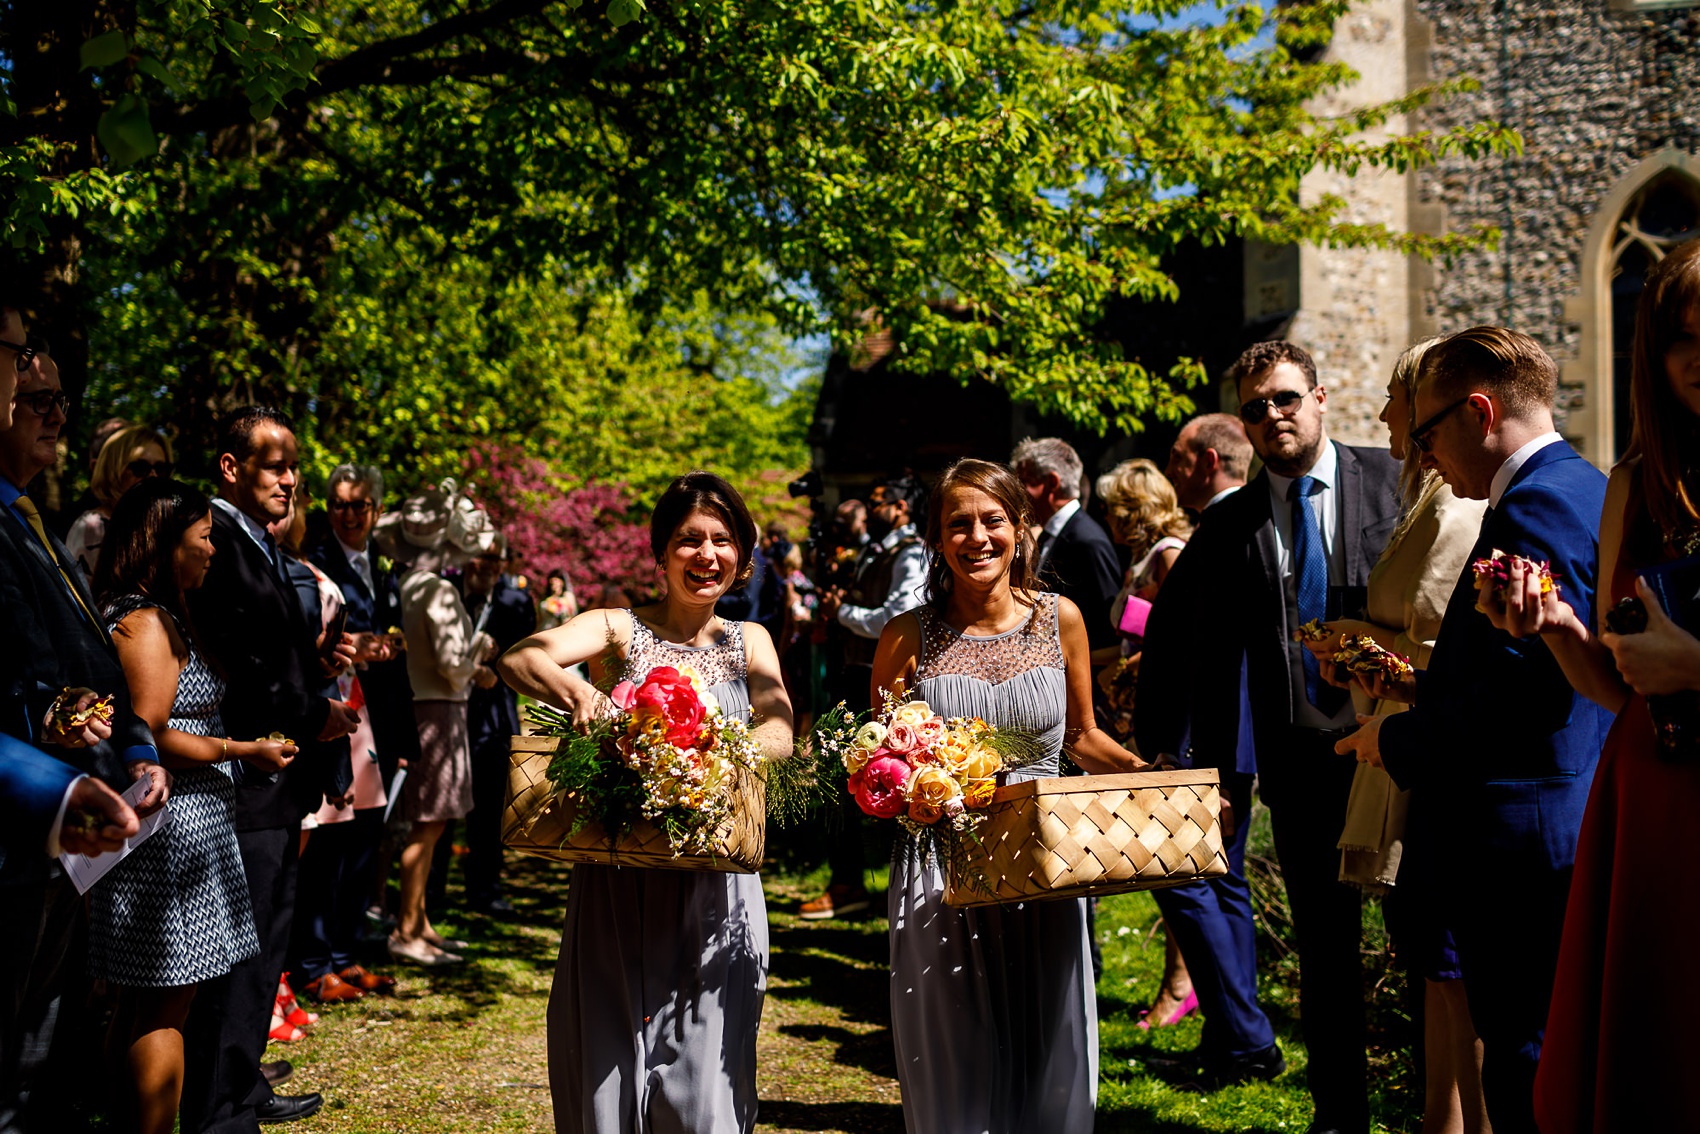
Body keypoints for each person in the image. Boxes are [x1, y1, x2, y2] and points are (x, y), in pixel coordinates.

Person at [1338, 327, 1611, 1134]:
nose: (1420, 455)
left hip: (1520, 834)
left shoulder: (1538, 506)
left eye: (1424, 432)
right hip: (1546, 818)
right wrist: (1413, 685)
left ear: (1480, 411)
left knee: (1526, 1060)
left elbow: (1524, 700)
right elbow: (1511, 670)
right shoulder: (1580, 485)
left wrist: (1390, 744)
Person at [1463, 244, 1700, 1132]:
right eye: (1682, 338)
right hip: (1657, 795)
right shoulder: (1638, 485)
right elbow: (1615, 686)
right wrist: (1557, 629)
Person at [497, 470, 794, 1134]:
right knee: (608, 1071)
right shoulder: (617, 630)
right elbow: (521, 658)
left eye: (723, 541)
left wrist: (719, 751)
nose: (707, 555)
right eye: (689, 540)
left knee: (707, 1090)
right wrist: (587, 701)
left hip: (716, 887)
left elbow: (779, 731)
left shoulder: (752, 643)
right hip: (617, 881)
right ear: (661, 553)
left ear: (742, 558)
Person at [1162, 341, 1402, 1134]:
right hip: (1298, 761)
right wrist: (1218, 779)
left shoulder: (1395, 484)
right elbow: (1200, 654)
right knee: (1325, 951)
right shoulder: (1227, 525)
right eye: (1257, 406)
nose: (1274, 415)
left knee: (1422, 936)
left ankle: (1439, 1105)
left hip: (1398, 756)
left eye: (1287, 398)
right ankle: (1340, 1116)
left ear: (1321, 396)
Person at [871, 458, 1144, 1134]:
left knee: (1044, 1035)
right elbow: (875, 765)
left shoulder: (1063, 620)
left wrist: (1150, 779)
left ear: (1023, 529)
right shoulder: (906, 636)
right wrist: (908, 790)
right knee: (955, 1047)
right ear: (935, 539)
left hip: (1043, 861)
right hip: (941, 869)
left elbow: (1083, 736)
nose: (977, 537)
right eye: (957, 525)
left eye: (993, 520)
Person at [1296, 340, 1490, 1134]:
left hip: (1428, 759)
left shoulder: (1452, 506)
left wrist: (1356, 651)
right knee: (1436, 972)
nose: (1380, 415)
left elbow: (1439, 647)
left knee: (1452, 974)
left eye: (1393, 397)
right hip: (1404, 741)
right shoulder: (1425, 495)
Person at [0, 329, 171, 1134]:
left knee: (40, 1055)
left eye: (63, 400)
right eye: (39, 397)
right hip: (20, 828)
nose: (56, 415)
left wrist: (137, 746)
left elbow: (99, 671)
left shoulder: (40, 524)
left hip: (76, 838)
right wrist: (45, 725)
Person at [90, 479, 296, 1134]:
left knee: (145, 1006)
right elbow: (146, 732)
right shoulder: (146, 622)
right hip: (171, 836)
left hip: (186, 830)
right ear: (163, 543)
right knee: (163, 1012)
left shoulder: (156, 612)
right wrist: (245, 747)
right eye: (204, 536)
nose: (214, 548)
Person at [181, 406, 358, 1131]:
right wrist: (314, 712)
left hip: (281, 781)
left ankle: (242, 1084)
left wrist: (318, 665)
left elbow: (272, 648)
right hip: (247, 773)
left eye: (293, 466)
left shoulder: (257, 541)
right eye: (274, 463)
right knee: (239, 952)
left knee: (266, 946)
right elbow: (239, 664)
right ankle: (218, 1111)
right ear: (232, 467)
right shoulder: (215, 541)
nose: (290, 478)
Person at [1135, 411, 1282, 1089]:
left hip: (1206, 743)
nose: (1170, 467)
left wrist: (1195, 757)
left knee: (1187, 882)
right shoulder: (1224, 526)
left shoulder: (1228, 527)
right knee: (1218, 886)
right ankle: (1233, 1039)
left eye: (1178, 455)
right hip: (1216, 743)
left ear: (1209, 461)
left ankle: (1247, 1038)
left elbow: (1218, 659)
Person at [1092, 458, 1198, 1027]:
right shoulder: (1141, 561)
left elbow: (1182, 634)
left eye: (1114, 507)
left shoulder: (1170, 554)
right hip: (1130, 714)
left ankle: (1181, 980)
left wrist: (1132, 665)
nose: (1108, 518)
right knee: (1154, 854)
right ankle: (1181, 976)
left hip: (1159, 720)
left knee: (1169, 853)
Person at [374, 479, 495, 966]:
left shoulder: (402, 584)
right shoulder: (440, 590)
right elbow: (452, 663)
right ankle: (407, 929)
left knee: (427, 822)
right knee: (428, 824)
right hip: (439, 709)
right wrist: (481, 662)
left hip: (417, 704)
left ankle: (418, 921)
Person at [806, 475, 930, 920]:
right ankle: (848, 881)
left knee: (877, 780)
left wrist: (842, 612)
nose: (872, 508)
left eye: (879, 500)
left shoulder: (911, 552)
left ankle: (855, 884)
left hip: (879, 684)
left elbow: (893, 618)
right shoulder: (882, 550)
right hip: (854, 675)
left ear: (900, 508)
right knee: (842, 780)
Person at [309, 463, 421, 953]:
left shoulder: (382, 560)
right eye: (339, 503)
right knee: (332, 839)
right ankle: (320, 954)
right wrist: (359, 644)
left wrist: (390, 643)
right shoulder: (315, 560)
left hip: (384, 712)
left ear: (376, 509)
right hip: (340, 711)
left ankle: (347, 949)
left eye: (359, 505)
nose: (349, 514)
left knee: (367, 838)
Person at [448, 533, 536, 915]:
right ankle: (431, 895)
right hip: (447, 711)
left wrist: (500, 653)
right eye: (479, 556)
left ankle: (485, 889)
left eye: (493, 558)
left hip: (493, 715)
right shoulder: (448, 591)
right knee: (444, 809)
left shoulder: (516, 601)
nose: (485, 564)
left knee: (488, 809)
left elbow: (527, 654)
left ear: (503, 563)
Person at [1011, 437, 1122, 654]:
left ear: (1052, 483)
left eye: (1023, 481)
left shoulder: (1087, 540)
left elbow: (1107, 622)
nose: (1017, 494)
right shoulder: (1052, 534)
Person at [64, 423, 174, 581]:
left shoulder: (161, 526)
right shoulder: (94, 527)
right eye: (140, 468)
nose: (153, 476)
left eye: (161, 469)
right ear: (114, 471)